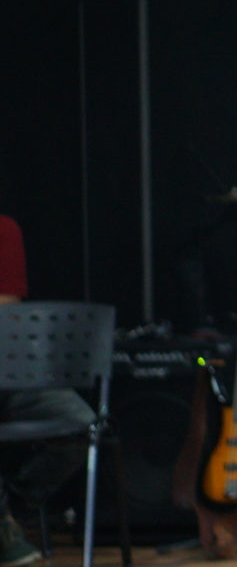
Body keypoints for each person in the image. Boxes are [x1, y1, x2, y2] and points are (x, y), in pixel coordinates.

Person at [0, 213, 94, 567]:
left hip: (8, 370)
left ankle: (10, 510)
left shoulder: (4, 229)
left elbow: (6, 311)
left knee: (81, 423)